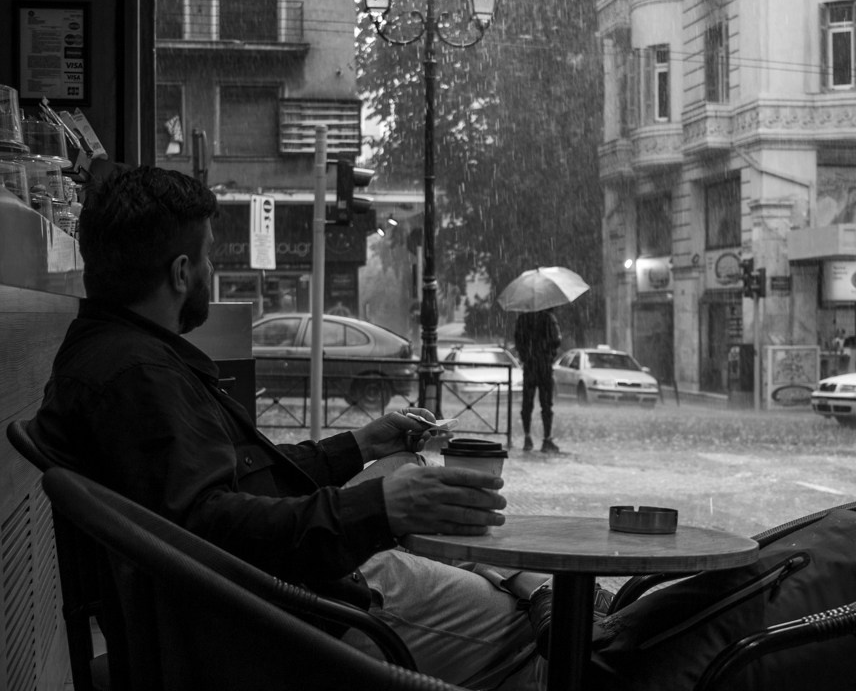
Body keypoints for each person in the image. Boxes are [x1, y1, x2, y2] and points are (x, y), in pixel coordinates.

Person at [28, 166, 547, 689]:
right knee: (531, 637)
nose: (212, 269)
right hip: (294, 621)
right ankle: (553, 612)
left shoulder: (116, 354)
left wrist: (363, 444)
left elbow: (242, 480)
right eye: (208, 255)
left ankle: (540, 593)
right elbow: (214, 531)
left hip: (283, 587)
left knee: (403, 464)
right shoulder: (139, 380)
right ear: (181, 272)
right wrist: (383, 507)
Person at [513, 309, 562, 453]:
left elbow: (517, 340)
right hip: (544, 366)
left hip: (530, 367)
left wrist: (526, 356)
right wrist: (548, 352)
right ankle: (547, 439)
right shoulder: (549, 318)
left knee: (527, 403)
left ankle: (527, 437)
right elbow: (556, 340)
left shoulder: (522, 319)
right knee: (546, 404)